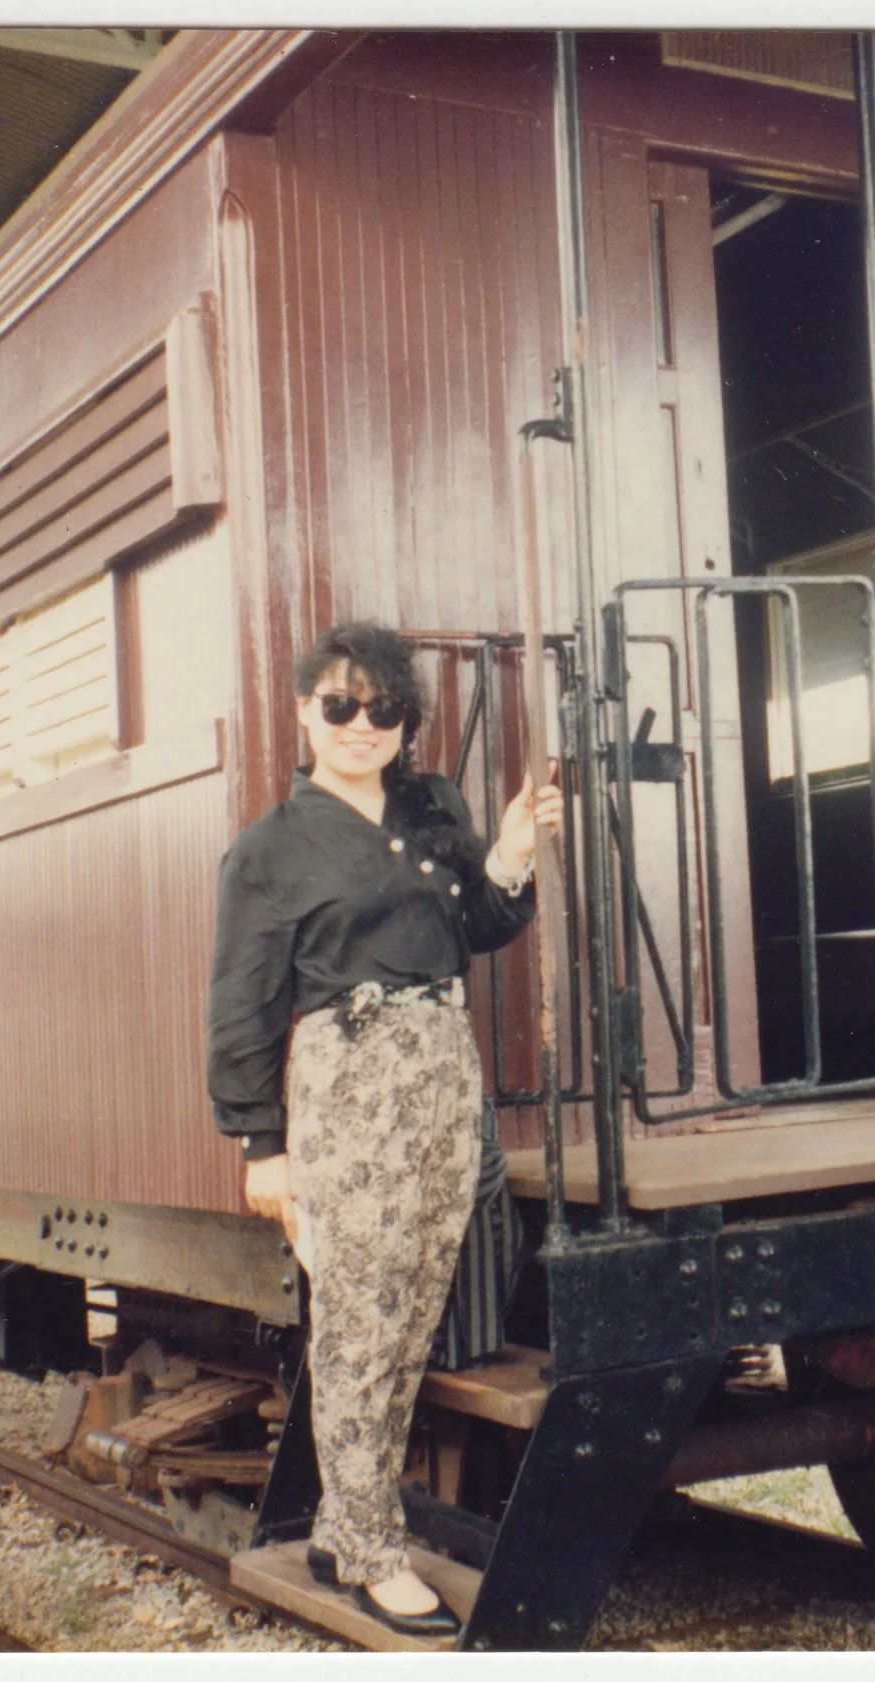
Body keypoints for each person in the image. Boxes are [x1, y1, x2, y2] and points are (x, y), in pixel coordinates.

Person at [207, 622, 560, 1638]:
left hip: (444, 1071)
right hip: (346, 1084)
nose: (362, 726)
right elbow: (239, 1005)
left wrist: (510, 852)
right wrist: (260, 1146)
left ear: (406, 720)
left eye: (384, 709)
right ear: (305, 711)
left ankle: (342, 1522)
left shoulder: (433, 805)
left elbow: (479, 927)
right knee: (362, 1312)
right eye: (339, 705)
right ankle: (365, 1548)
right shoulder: (269, 850)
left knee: (412, 1312)